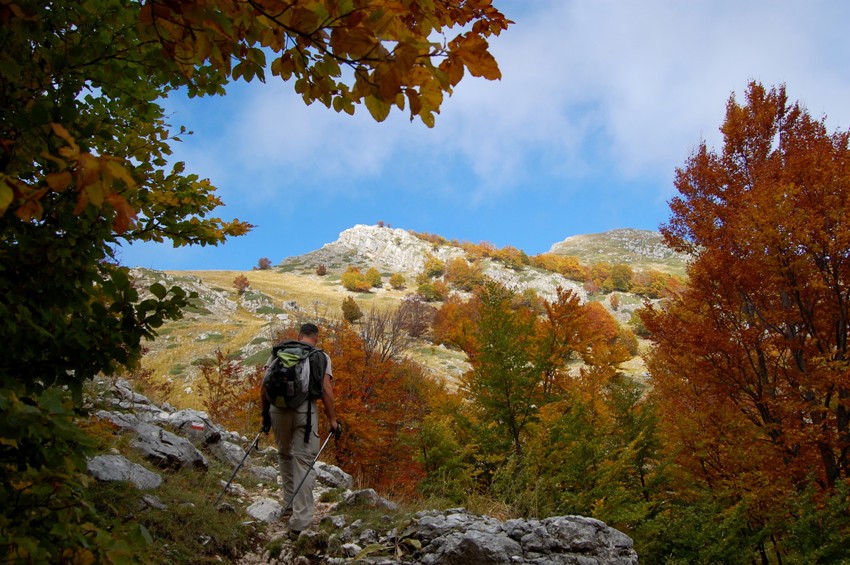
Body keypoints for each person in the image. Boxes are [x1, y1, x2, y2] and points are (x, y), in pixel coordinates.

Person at [261, 322, 338, 536]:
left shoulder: (280, 351)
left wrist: (265, 414)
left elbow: (264, 384)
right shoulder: (319, 356)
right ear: (316, 337)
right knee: (303, 461)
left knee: (284, 455)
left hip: (277, 409)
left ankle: (288, 505)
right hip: (304, 412)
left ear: (299, 334)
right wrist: (333, 419)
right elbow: (325, 389)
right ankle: (300, 521)